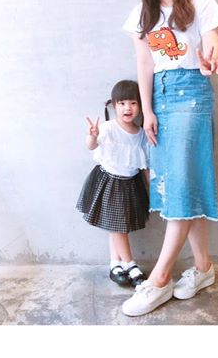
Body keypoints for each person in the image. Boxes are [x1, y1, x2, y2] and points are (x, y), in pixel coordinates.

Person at [121, 0, 218, 316]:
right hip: (161, 100)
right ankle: (203, 268)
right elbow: (144, 64)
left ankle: (160, 278)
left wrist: (211, 58)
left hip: (193, 93)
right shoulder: (142, 14)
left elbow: (213, 41)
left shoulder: (201, 2)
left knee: (180, 187)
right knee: (182, 183)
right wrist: (148, 111)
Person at [76, 80, 150, 287]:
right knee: (118, 227)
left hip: (130, 185)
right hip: (109, 182)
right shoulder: (108, 128)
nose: (128, 108)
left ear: (140, 106)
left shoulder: (141, 133)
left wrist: (152, 189)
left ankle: (115, 264)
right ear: (114, 105)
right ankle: (130, 264)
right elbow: (91, 146)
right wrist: (92, 136)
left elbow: (145, 164)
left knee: (116, 225)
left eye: (133, 103)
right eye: (122, 103)